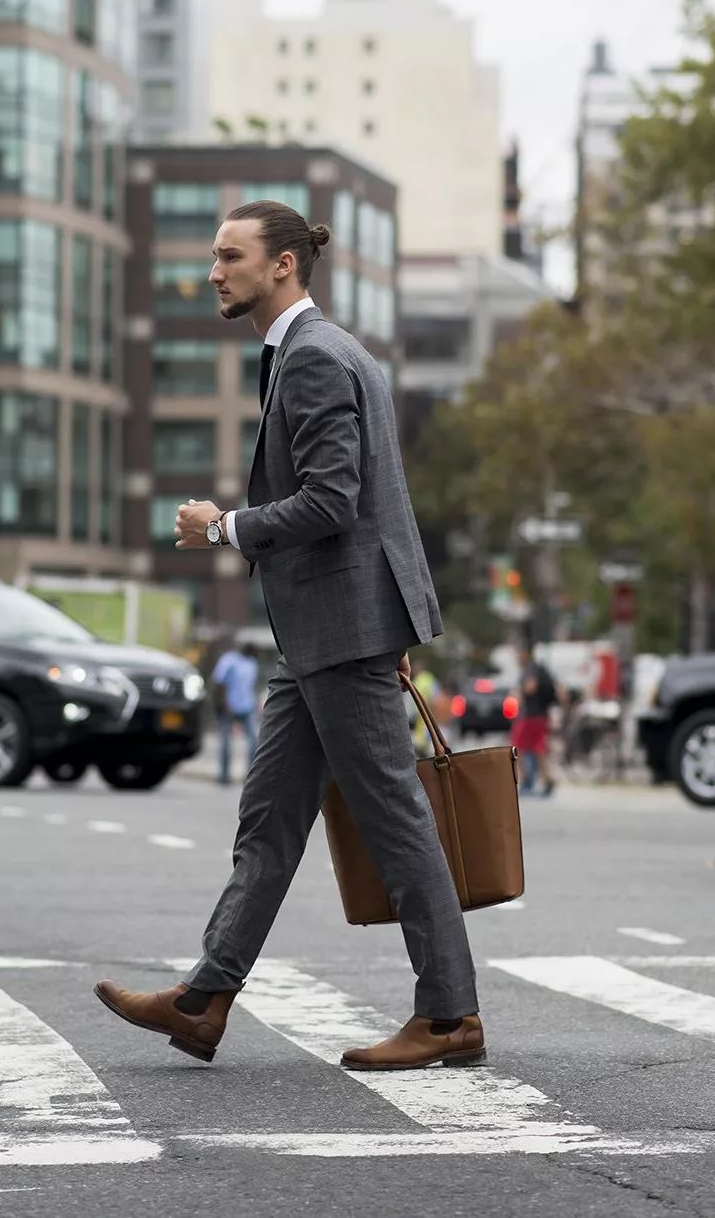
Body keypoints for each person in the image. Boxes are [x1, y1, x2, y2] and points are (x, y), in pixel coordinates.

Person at [95, 200, 482, 1071]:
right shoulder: (321, 352)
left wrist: (225, 526)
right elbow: (376, 502)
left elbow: (336, 499)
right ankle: (204, 998)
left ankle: (451, 1012)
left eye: (229, 256)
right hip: (326, 631)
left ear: (282, 267)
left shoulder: (311, 357)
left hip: (340, 632)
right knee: (269, 818)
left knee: (394, 817)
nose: (213, 271)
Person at [511, 642, 558, 797]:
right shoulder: (540, 668)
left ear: (525, 653)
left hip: (530, 716)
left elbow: (531, 687)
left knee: (517, 747)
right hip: (542, 716)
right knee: (539, 749)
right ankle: (549, 779)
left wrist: (519, 691)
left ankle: (527, 781)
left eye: (518, 653)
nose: (516, 657)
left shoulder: (530, 669)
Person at [211, 641, 259, 785]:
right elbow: (219, 683)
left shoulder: (252, 663)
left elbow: (250, 685)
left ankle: (251, 776)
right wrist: (224, 704)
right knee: (225, 742)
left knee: (254, 741)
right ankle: (223, 776)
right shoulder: (228, 660)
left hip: (247, 706)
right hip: (229, 706)